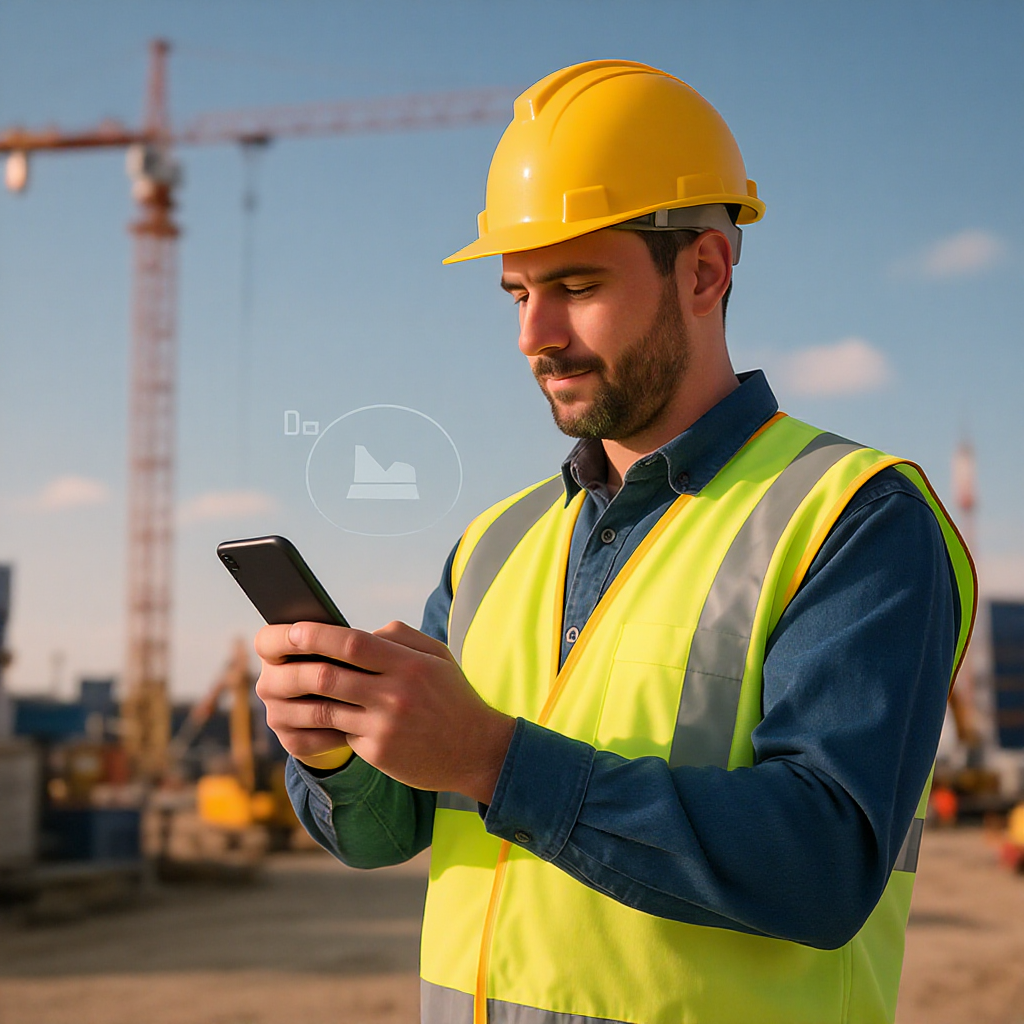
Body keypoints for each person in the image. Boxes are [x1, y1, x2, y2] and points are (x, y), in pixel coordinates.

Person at [255, 60, 976, 1024]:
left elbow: (827, 862)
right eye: (517, 294)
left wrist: (494, 759)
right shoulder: (495, 544)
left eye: (576, 285)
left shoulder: (854, 517)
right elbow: (392, 833)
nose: (533, 335)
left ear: (705, 273)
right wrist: (338, 750)